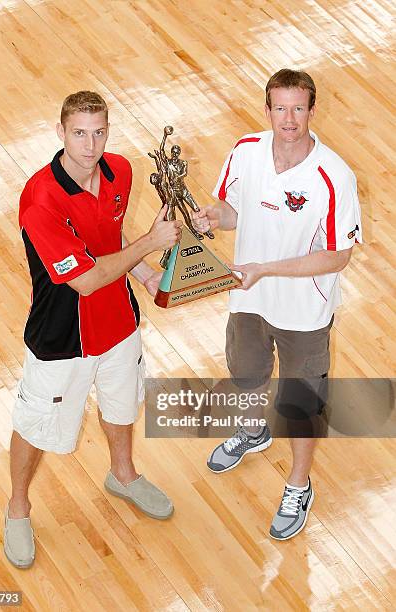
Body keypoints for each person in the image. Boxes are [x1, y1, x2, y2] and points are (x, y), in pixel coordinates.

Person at [4, 91, 182, 568]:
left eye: (99, 132)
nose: (90, 144)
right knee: (35, 427)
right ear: (60, 133)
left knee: (122, 406)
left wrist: (144, 273)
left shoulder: (118, 171)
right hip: (61, 340)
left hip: (120, 324)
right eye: (79, 133)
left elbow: (111, 229)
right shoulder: (41, 198)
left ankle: (123, 475)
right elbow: (84, 279)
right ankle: (18, 506)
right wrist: (150, 243)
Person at [192, 69, 362, 540]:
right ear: (266, 110)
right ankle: (252, 433)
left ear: (312, 110)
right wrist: (214, 217)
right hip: (248, 298)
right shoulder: (245, 151)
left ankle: (298, 484)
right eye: (280, 108)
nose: (289, 118)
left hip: (304, 313)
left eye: (298, 108)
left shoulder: (333, 176)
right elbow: (234, 210)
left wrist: (266, 269)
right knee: (246, 376)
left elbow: (338, 254)